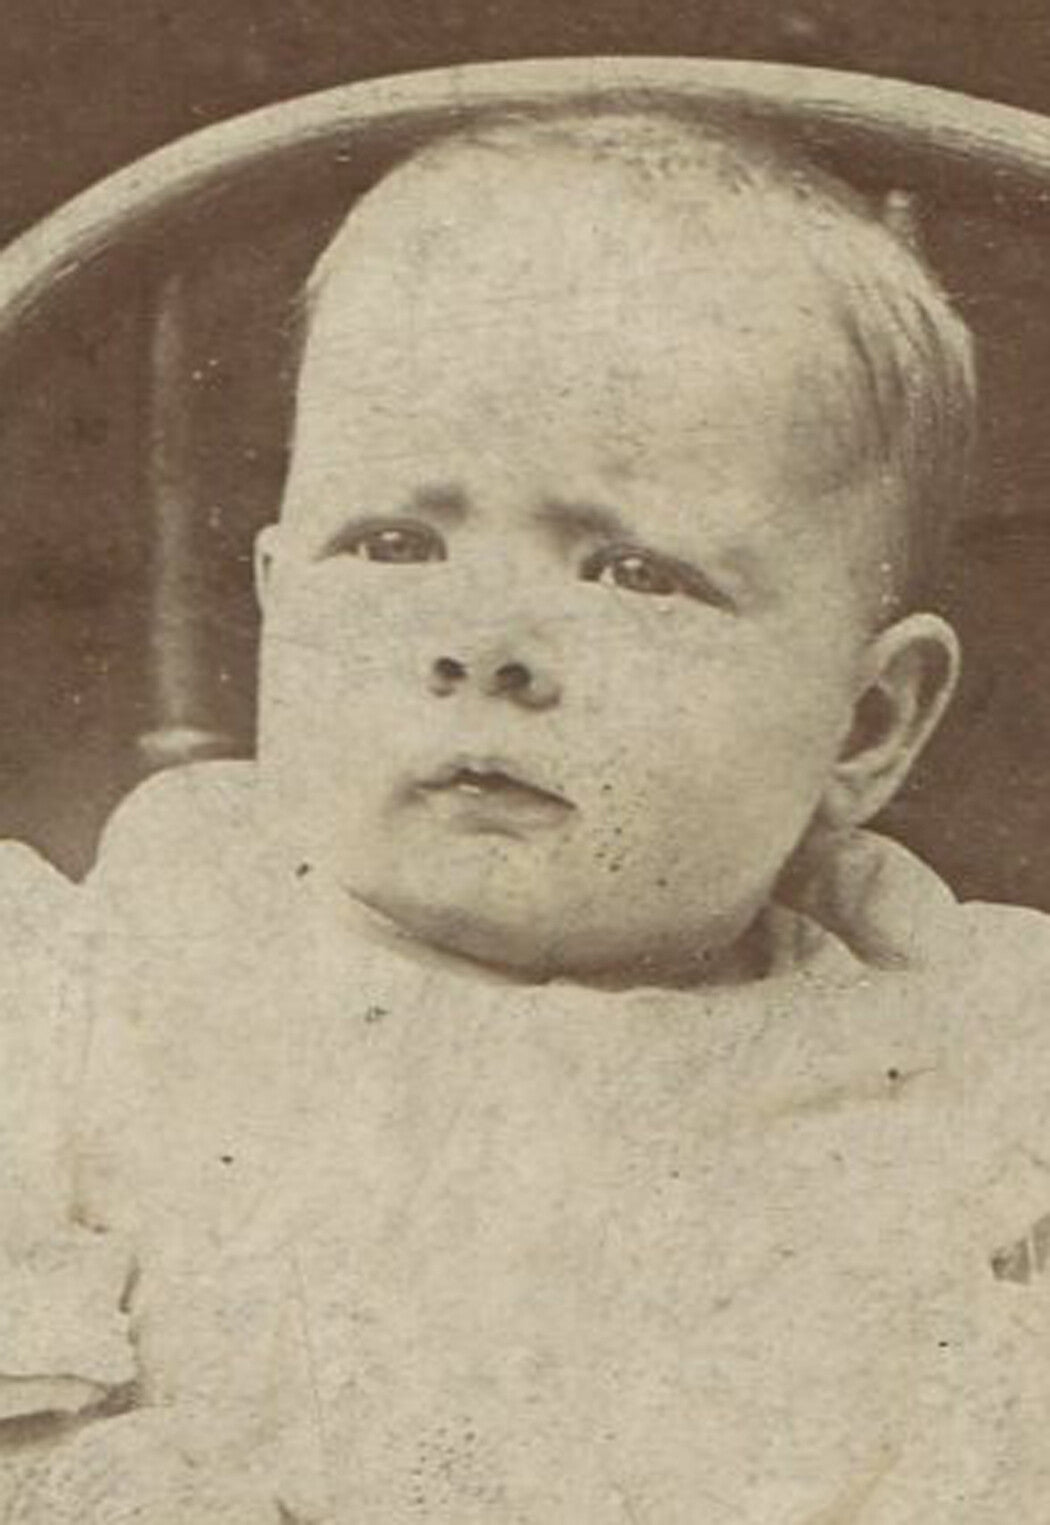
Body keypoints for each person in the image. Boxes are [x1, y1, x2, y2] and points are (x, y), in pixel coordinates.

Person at [7, 108, 1050, 1522]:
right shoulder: (88, 979)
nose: (481, 641)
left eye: (630, 570)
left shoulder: (964, 1041)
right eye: (391, 544)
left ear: (863, 724)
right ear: (273, 597)